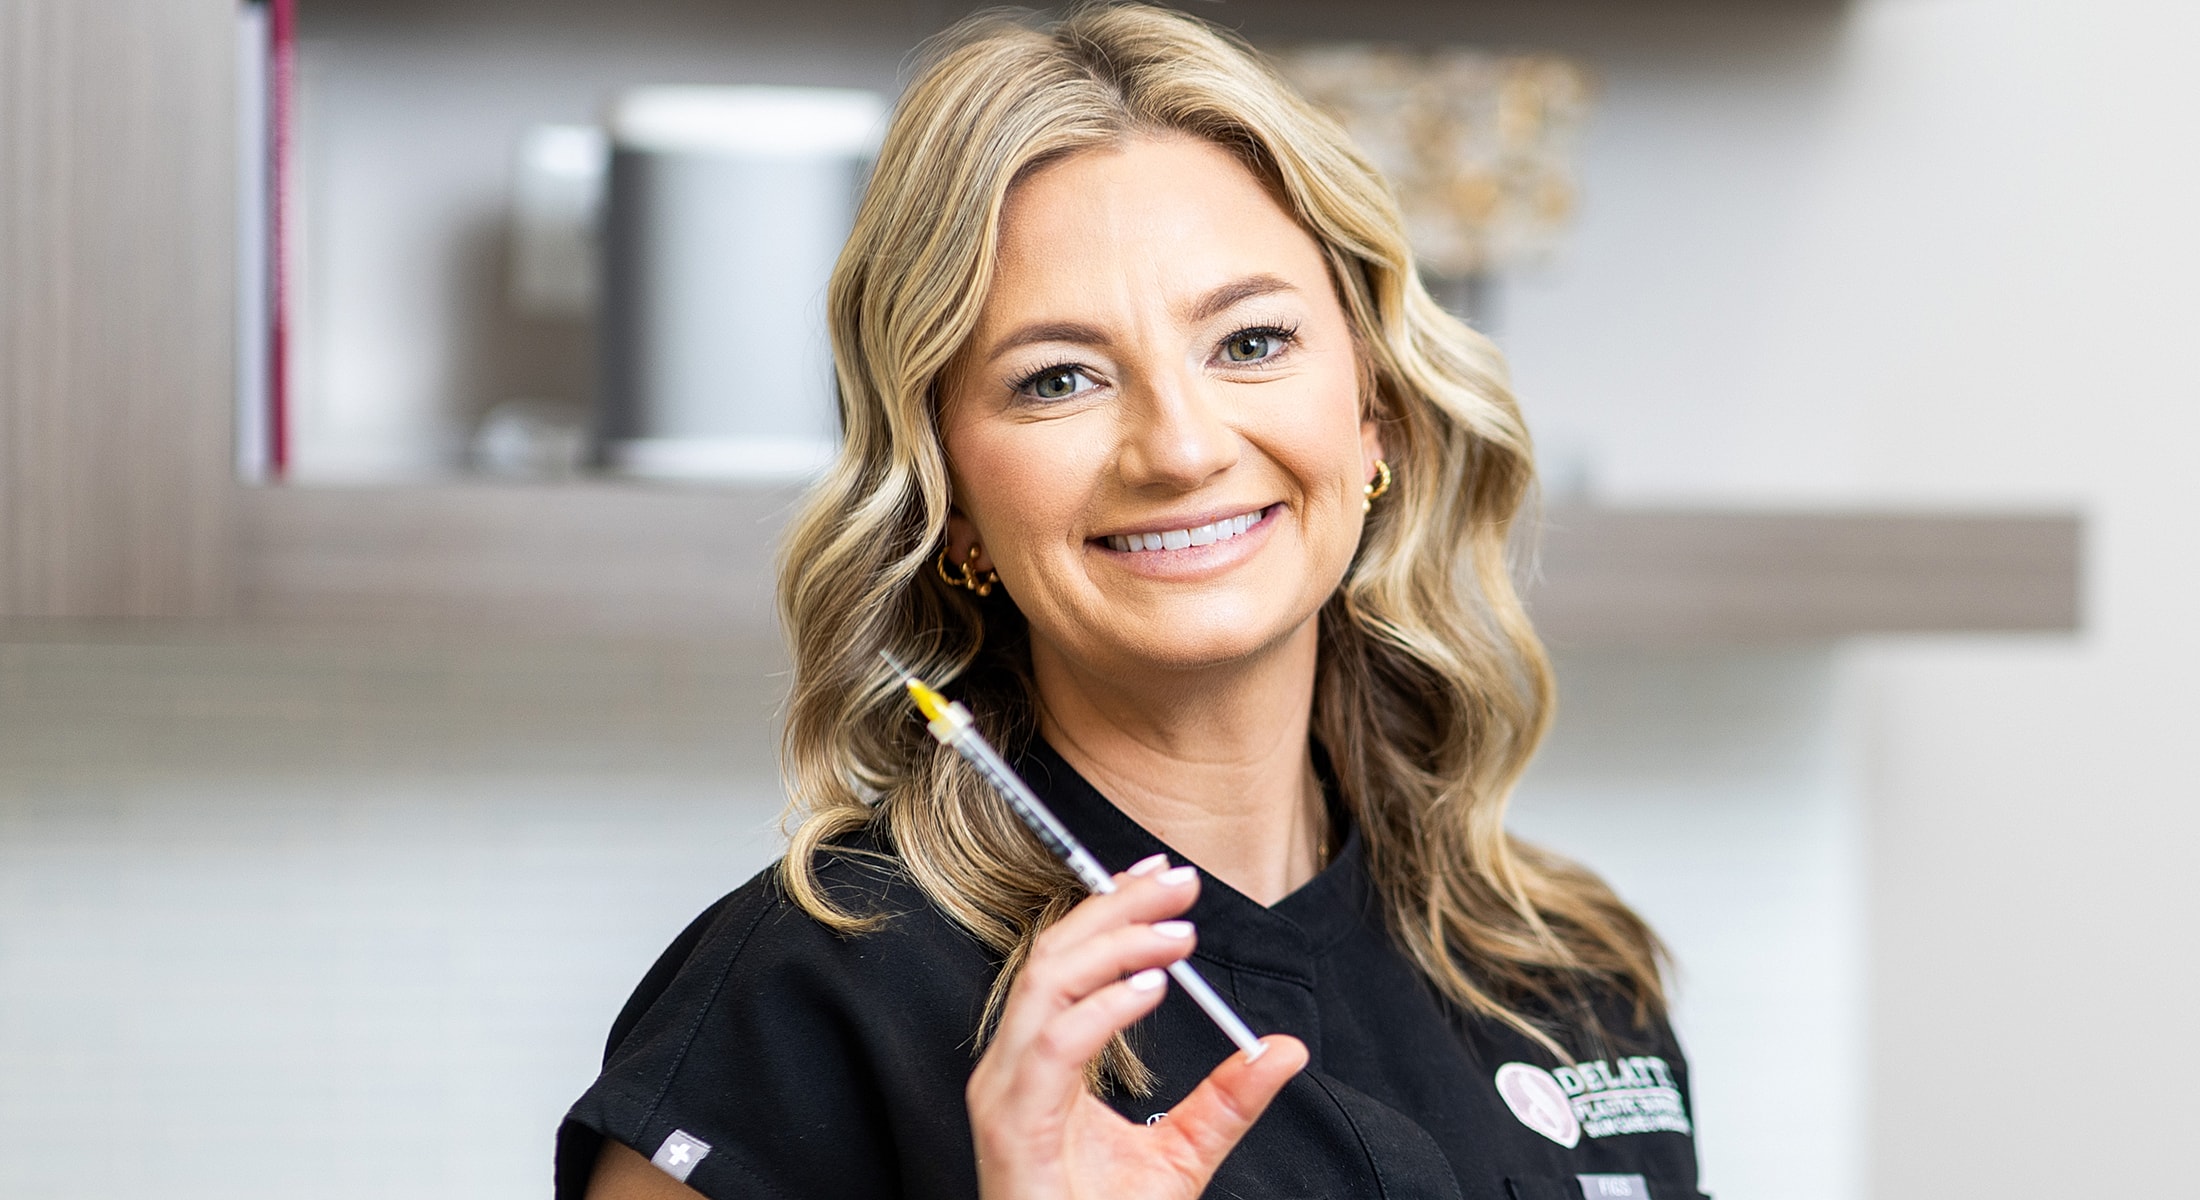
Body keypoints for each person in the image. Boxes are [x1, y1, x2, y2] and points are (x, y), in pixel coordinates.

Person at [557, 6, 1707, 1198]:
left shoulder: (1564, 970)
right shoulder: (808, 996)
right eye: (1058, 378)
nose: (1179, 446)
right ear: (949, 498)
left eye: (1251, 342)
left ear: (1374, 412)